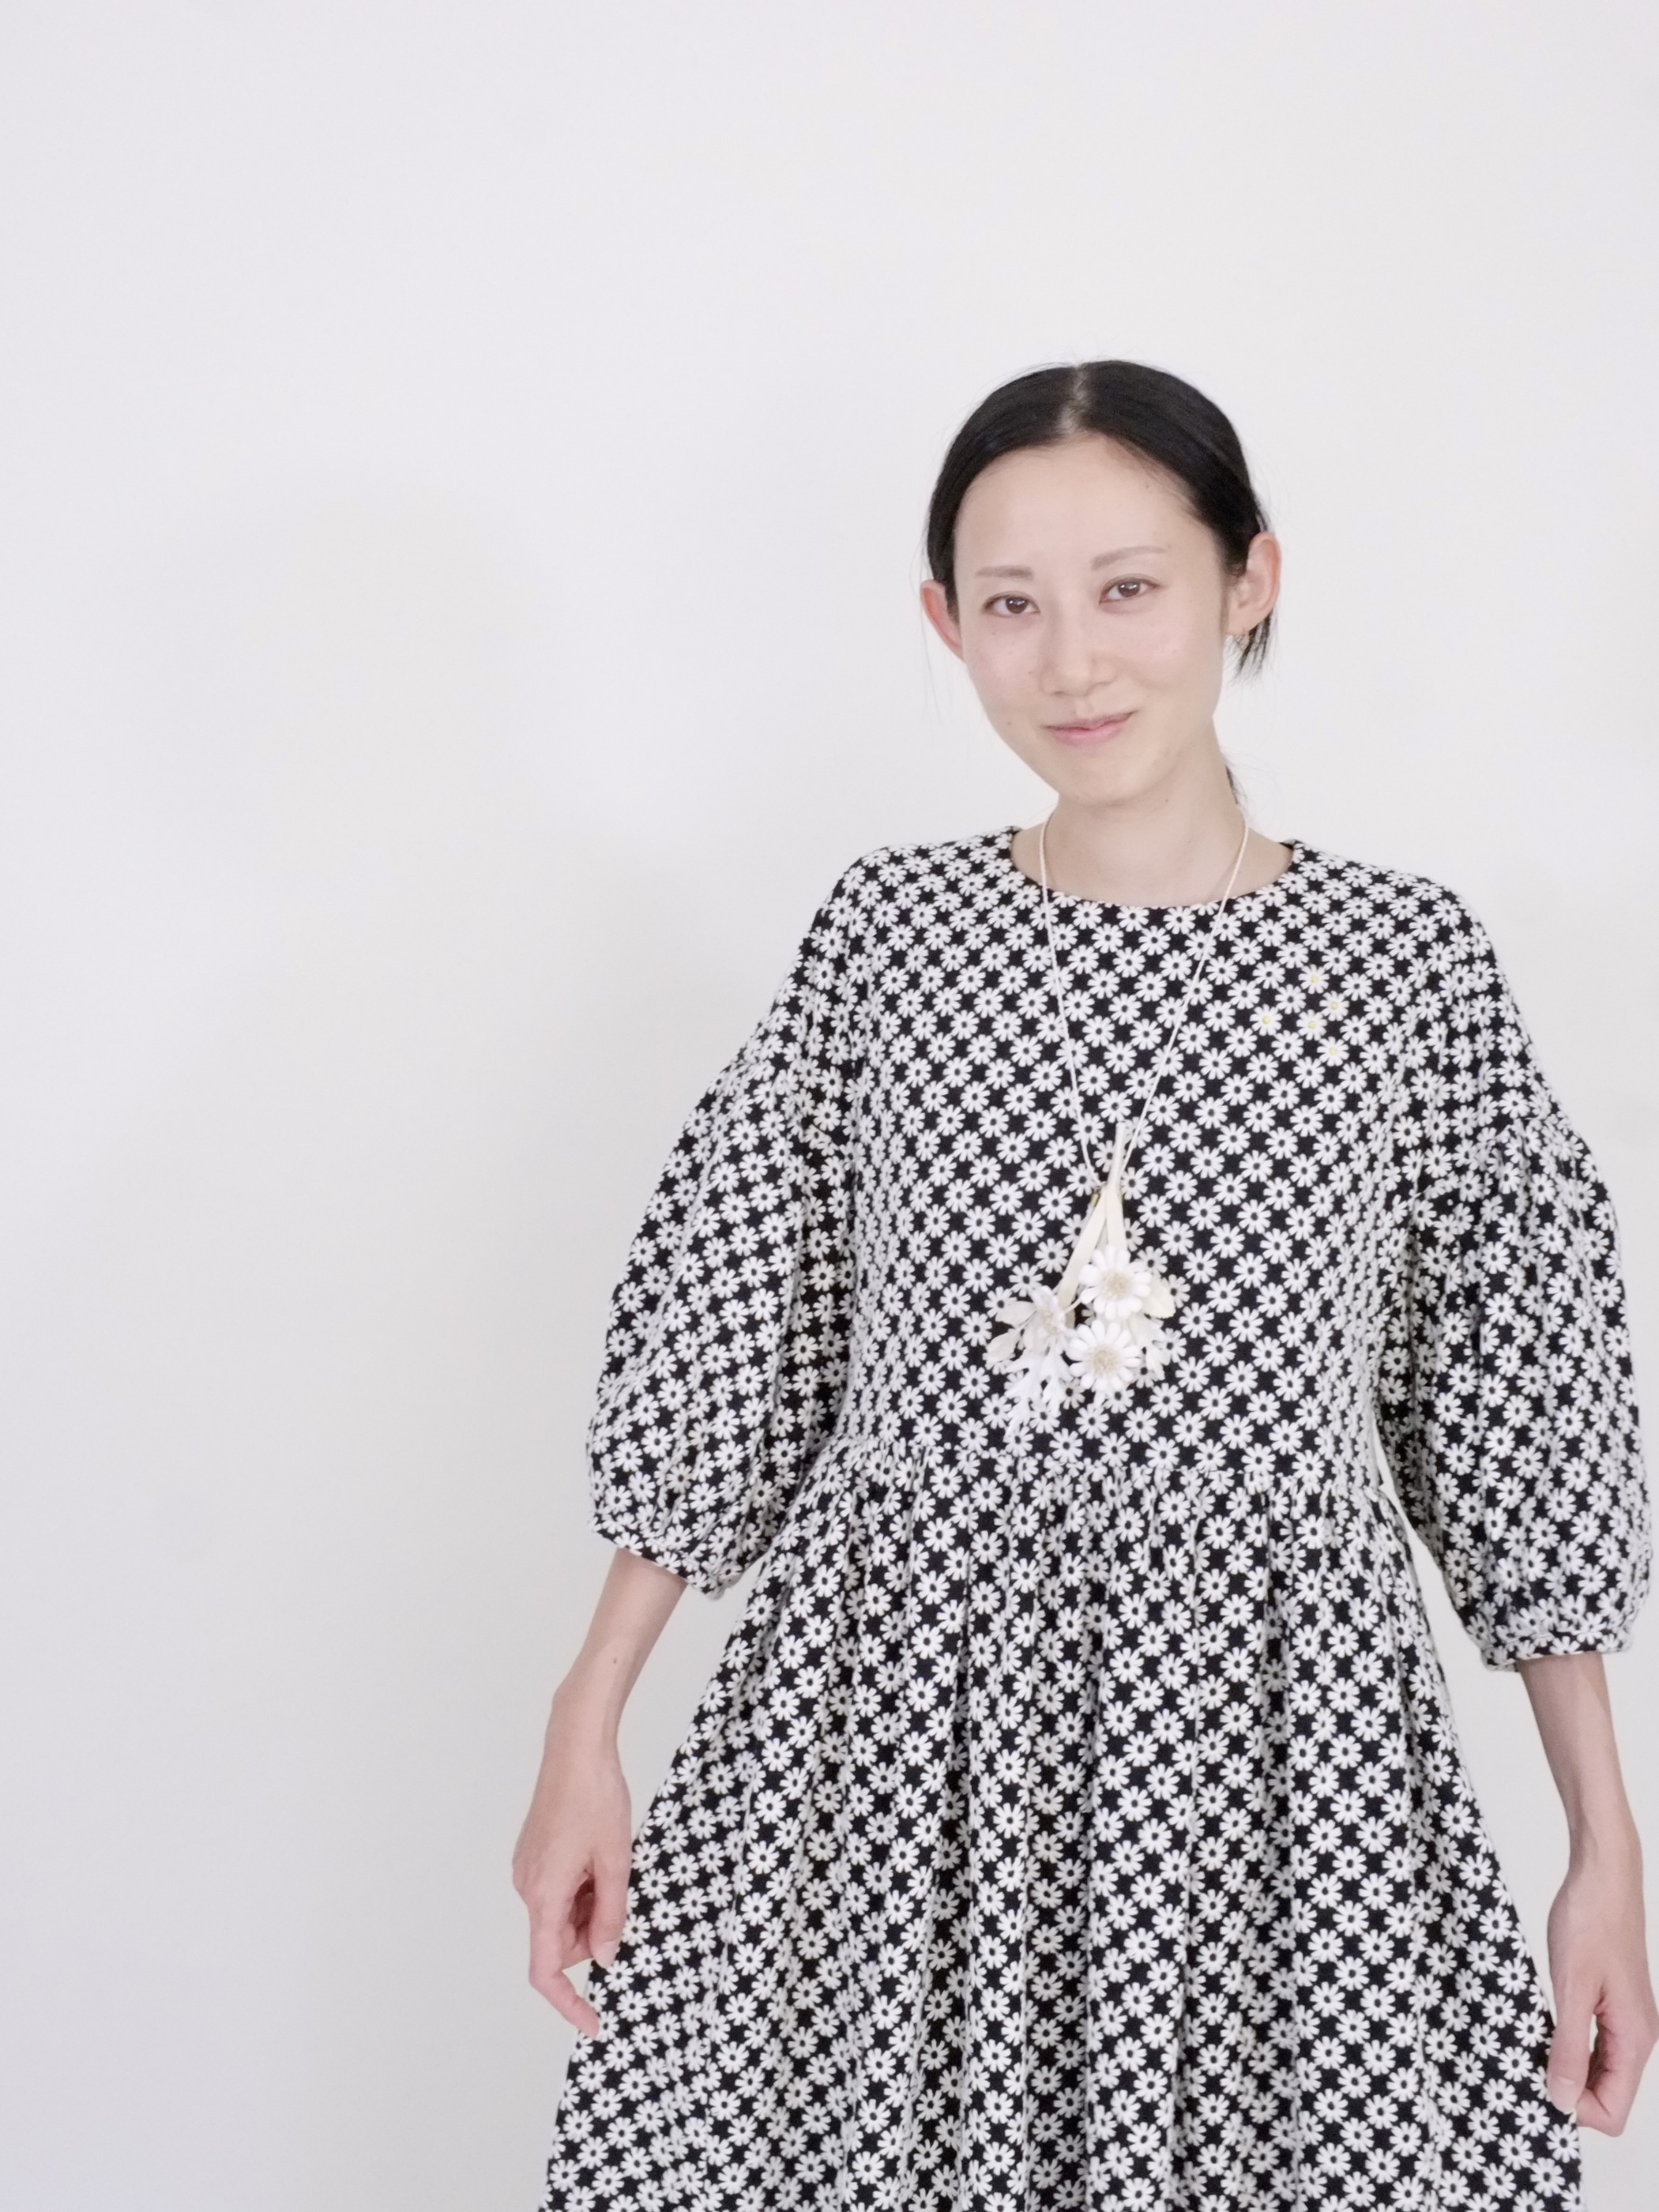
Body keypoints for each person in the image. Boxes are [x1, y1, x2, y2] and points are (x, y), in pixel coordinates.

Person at [514, 360, 1656, 2210]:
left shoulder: (1404, 966)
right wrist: (588, 1718)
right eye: (1012, 604)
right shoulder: (890, 936)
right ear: (943, 622)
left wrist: (1607, 1846)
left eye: (1129, 587)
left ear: (1248, 578)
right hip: (896, 1749)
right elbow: (743, 1319)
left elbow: (1515, 1407)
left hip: (1276, 1763)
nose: (1072, 661)